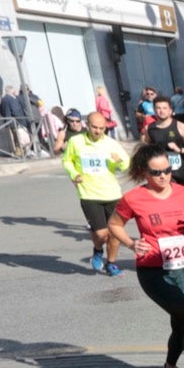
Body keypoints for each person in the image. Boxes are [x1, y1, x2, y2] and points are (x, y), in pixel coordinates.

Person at [107, 145, 184, 368]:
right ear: (144, 172)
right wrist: (131, 244)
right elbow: (114, 224)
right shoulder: (134, 198)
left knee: (182, 322)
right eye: (156, 172)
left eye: (167, 170)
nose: (164, 176)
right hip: (153, 269)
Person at [64, 111, 131, 275]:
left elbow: (127, 165)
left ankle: (111, 264)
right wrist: (74, 174)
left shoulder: (111, 143)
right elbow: (67, 160)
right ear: (87, 125)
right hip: (89, 195)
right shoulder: (76, 141)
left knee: (114, 232)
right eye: (94, 127)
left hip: (112, 194)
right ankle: (98, 250)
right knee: (101, 234)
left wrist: (120, 161)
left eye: (102, 128)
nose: (98, 131)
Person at [141, 95, 184, 193]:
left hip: (181, 168)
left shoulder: (180, 126)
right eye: (158, 108)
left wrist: (179, 149)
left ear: (170, 111)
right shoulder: (149, 129)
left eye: (164, 108)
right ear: (154, 110)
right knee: (168, 194)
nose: (161, 111)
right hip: (162, 171)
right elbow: (146, 148)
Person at [0, 85, 30, 157]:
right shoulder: (12, 99)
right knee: (19, 138)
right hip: (17, 122)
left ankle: (19, 153)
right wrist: (22, 120)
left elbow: (1, 111)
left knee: (15, 138)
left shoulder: (4, 99)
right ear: (12, 91)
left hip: (9, 122)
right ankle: (21, 154)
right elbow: (16, 111)